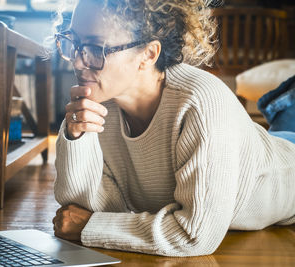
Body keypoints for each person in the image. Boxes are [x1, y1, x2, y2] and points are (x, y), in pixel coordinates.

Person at [51, 0, 295, 257]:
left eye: (94, 48)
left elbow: (194, 235)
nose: (78, 62)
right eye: (74, 43)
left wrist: (90, 227)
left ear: (148, 54)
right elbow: (84, 211)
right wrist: (76, 136)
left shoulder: (201, 102)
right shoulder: (103, 105)